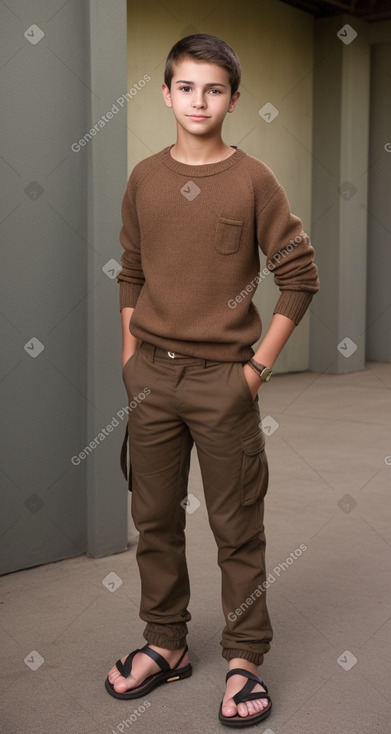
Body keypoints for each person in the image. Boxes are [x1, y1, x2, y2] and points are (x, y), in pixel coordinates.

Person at [105, 33, 319, 727]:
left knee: (235, 527)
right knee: (155, 521)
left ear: (232, 98)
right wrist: (128, 354)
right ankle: (165, 643)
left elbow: (297, 275)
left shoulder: (253, 180)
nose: (199, 100)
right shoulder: (143, 176)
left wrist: (254, 369)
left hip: (223, 381)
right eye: (187, 86)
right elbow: (131, 266)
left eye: (214, 88)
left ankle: (244, 657)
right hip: (150, 380)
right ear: (166, 94)